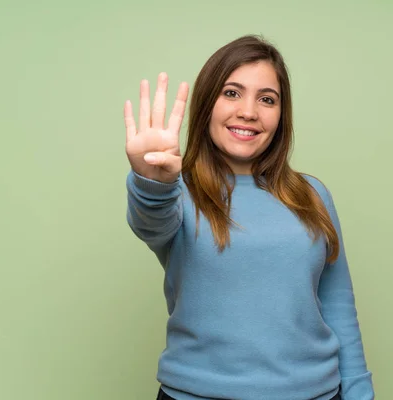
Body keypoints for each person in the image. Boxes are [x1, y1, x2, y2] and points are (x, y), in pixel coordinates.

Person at [123, 35, 374, 400]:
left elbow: (337, 303)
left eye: (267, 99)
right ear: (207, 103)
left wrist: (359, 393)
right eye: (231, 93)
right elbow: (150, 220)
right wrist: (153, 181)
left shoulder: (313, 196)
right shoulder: (177, 193)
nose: (249, 112)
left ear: (280, 115)